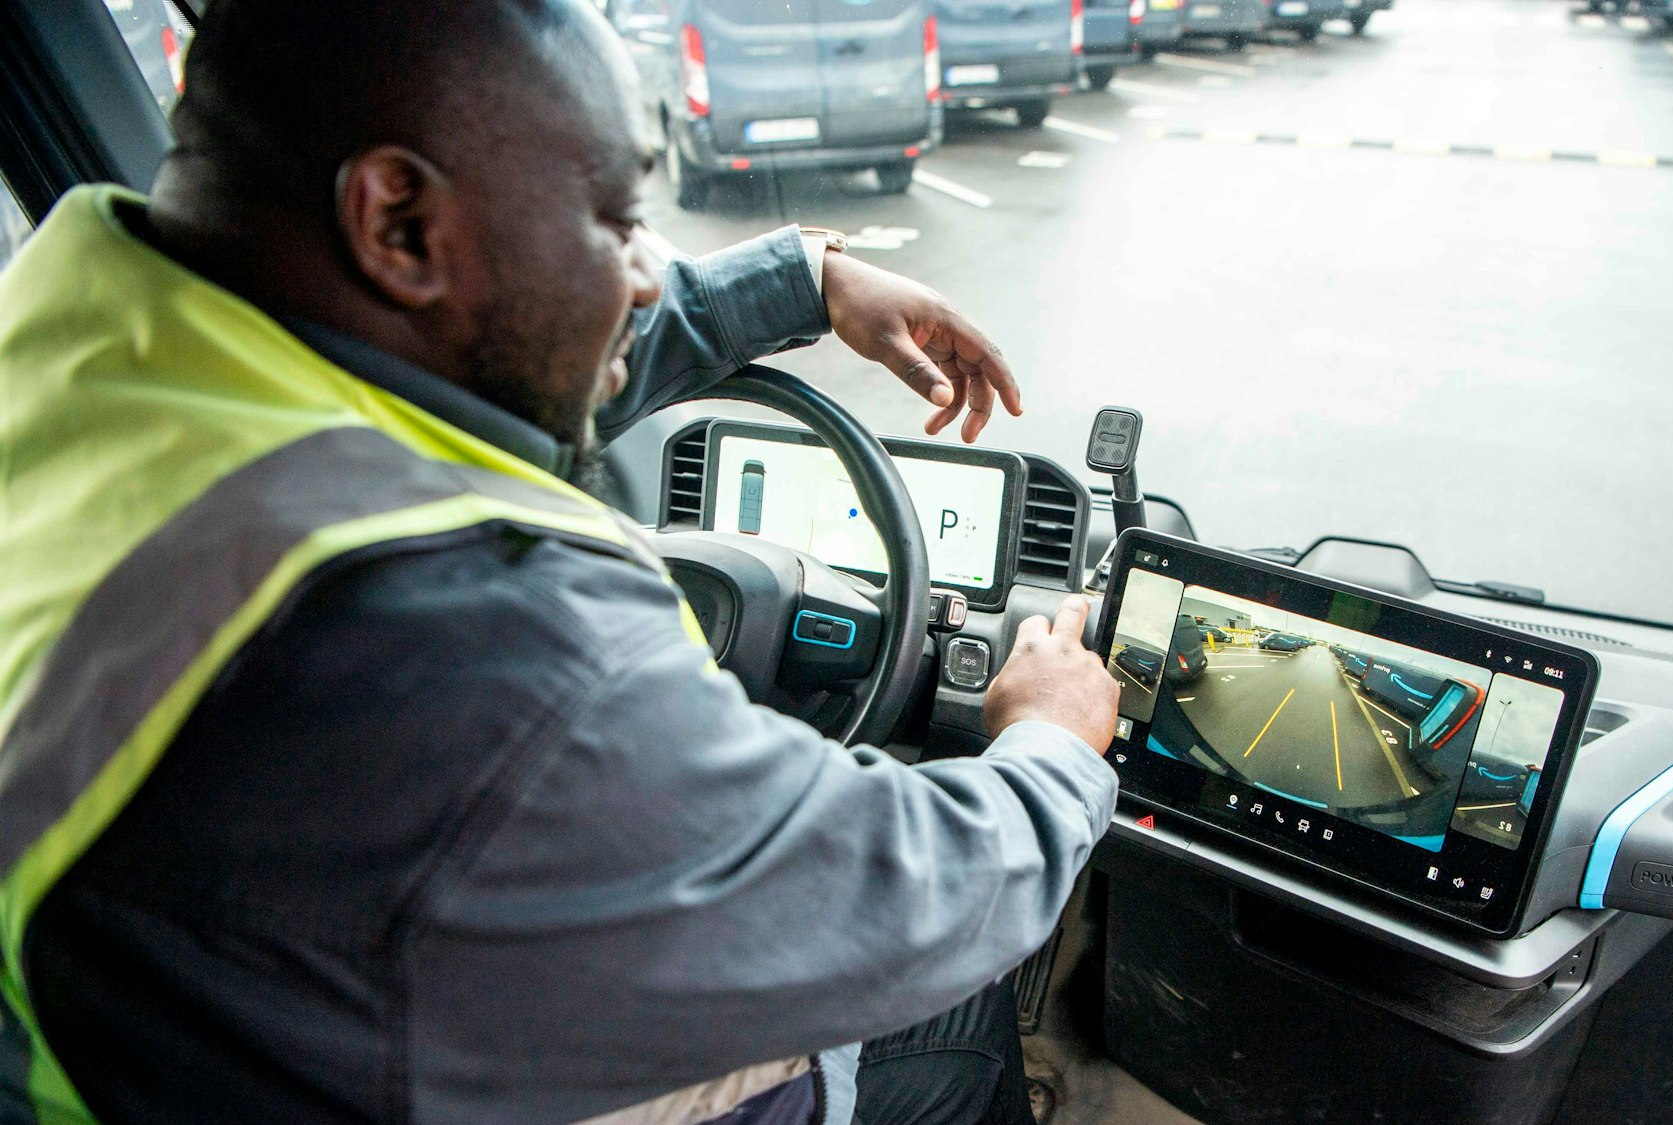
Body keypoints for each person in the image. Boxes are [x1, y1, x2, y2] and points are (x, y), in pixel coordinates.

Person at [0, 1, 1120, 1122]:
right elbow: (897, 900)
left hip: (219, 1030)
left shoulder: (83, 347)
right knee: (950, 1007)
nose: (643, 276)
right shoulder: (460, 644)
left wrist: (802, 280)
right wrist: (1048, 742)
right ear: (394, 220)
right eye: (619, 218)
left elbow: (462, 348)